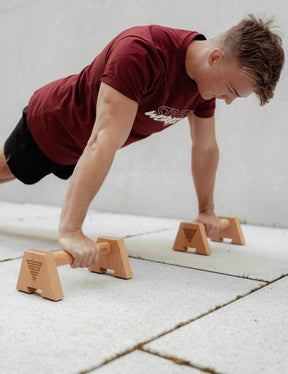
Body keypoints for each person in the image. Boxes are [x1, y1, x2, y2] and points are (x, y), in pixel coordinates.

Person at [0, 15, 284, 268]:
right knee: (6, 172)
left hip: (83, 152)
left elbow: (205, 147)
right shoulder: (141, 52)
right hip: (52, 126)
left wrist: (206, 211)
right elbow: (102, 139)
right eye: (232, 89)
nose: (229, 101)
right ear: (215, 57)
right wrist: (71, 230)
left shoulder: (204, 88)